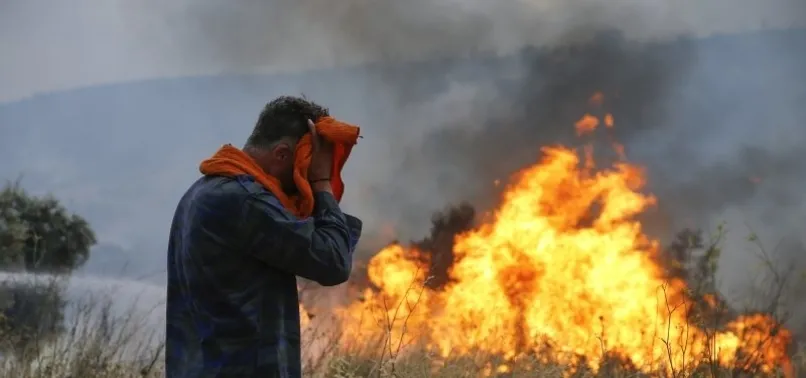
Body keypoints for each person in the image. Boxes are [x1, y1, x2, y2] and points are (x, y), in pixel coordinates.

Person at [165, 96, 362, 378]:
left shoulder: (204, 191)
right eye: (305, 166)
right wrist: (322, 184)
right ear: (282, 154)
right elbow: (333, 261)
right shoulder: (245, 202)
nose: (304, 179)